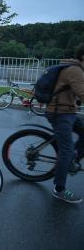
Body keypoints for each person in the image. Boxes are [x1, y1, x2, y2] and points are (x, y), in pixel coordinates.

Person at [45, 44, 84, 204]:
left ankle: (72, 160)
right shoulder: (75, 70)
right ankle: (59, 189)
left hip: (68, 111)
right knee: (66, 151)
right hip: (60, 113)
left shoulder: (76, 68)